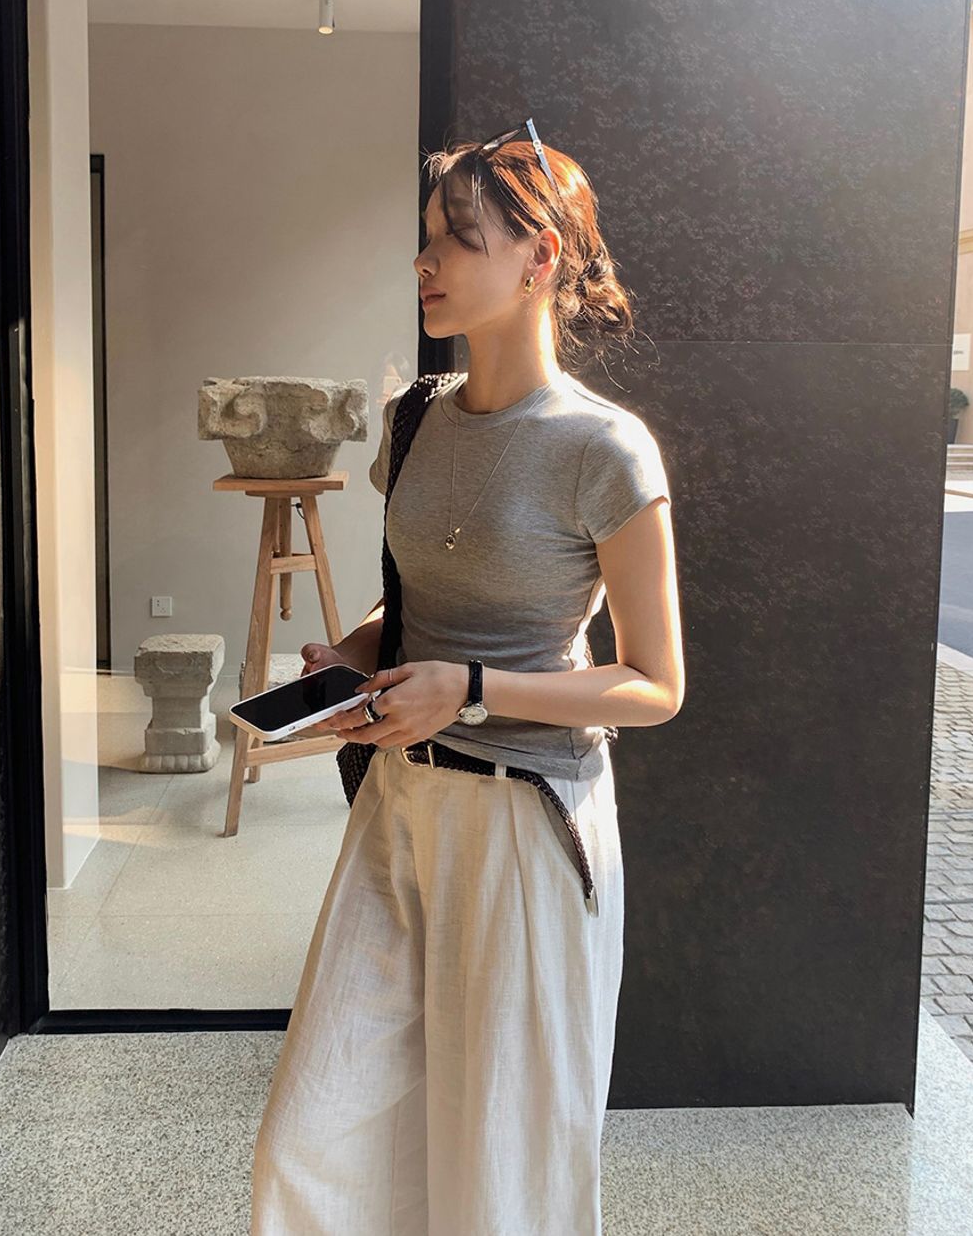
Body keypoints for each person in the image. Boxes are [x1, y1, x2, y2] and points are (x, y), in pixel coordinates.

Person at [250, 120, 685, 1235]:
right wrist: (356, 656)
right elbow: (416, 602)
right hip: (399, 810)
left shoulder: (605, 449)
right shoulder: (414, 420)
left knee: (505, 1170)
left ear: (540, 260)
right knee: (312, 1142)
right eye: (426, 237)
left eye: (457, 238)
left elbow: (653, 683)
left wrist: (472, 687)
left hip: (525, 825)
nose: (425, 260)